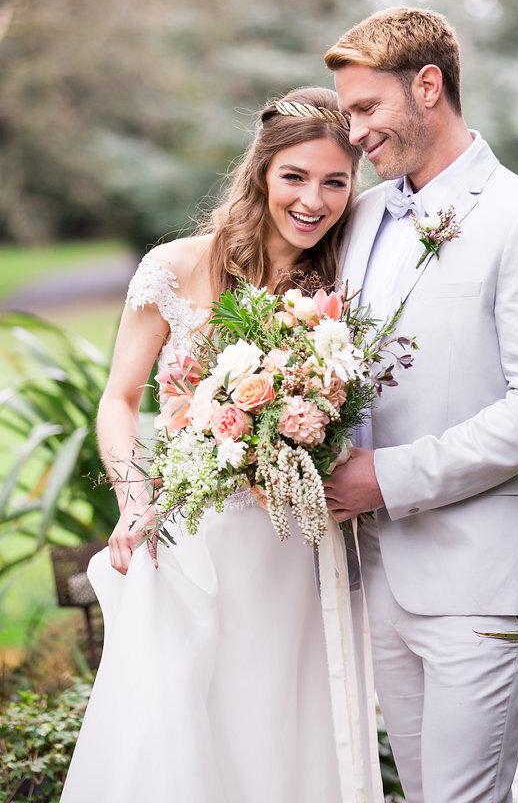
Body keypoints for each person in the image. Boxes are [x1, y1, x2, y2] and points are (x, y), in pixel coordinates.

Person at [60, 87, 380, 803]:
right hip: (193, 537)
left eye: (336, 181)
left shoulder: (339, 283)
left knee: (283, 728)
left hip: (297, 544)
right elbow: (119, 398)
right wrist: (132, 501)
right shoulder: (175, 267)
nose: (314, 199)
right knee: (180, 729)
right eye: (295, 176)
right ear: (262, 172)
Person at [323, 7, 518, 803]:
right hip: (379, 573)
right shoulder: (365, 215)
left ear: (428, 87)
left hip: (485, 574)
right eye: (347, 114)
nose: (355, 133)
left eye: (366, 108)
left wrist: (389, 478)